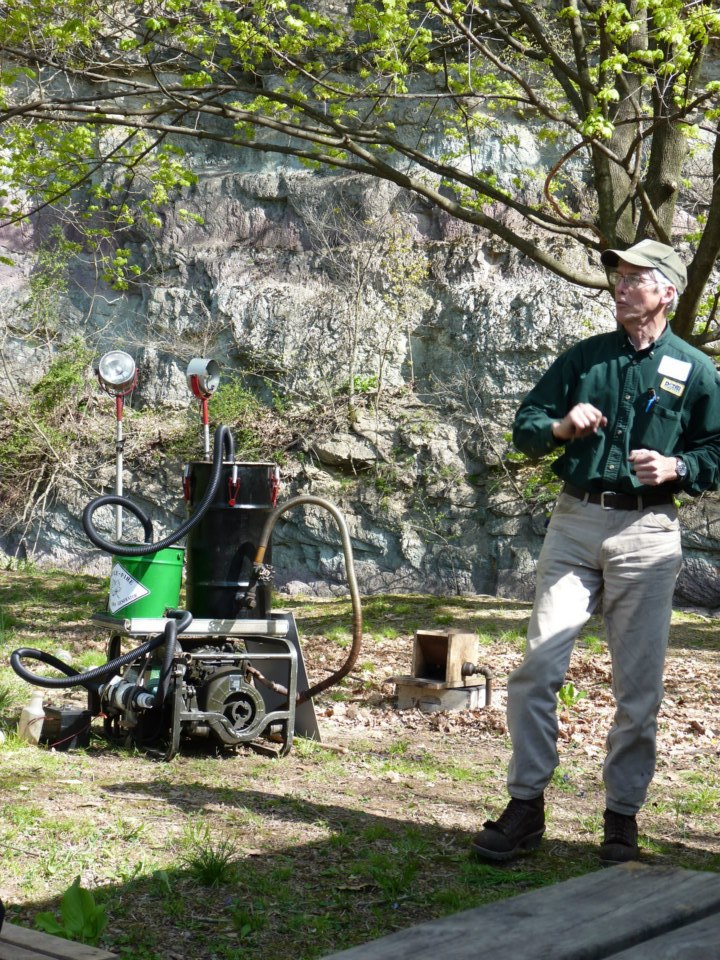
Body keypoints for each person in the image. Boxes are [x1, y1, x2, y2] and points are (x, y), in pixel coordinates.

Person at [472, 240, 720, 865]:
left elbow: (717, 452)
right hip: (575, 521)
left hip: (649, 533)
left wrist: (677, 465)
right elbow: (526, 427)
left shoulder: (696, 369)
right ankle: (526, 806)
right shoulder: (585, 359)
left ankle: (621, 821)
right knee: (537, 668)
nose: (620, 286)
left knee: (638, 687)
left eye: (636, 278)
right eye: (618, 277)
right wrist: (560, 427)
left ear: (667, 292)